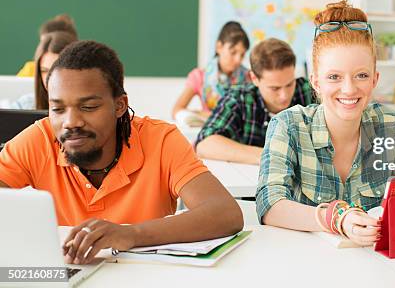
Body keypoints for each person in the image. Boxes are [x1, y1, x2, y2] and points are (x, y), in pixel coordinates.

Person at [0, 41, 243, 264]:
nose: (70, 122)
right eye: (58, 108)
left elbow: (224, 213)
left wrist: (130, 233)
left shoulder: (161, 140)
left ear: (120, 106)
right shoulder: (39, 139)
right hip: (65, 274)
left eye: (88, 107)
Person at [256, 0, 395, 246]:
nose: (349, 89)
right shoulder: (289, 125)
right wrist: (337, 218)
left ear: (375, 79)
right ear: (315, 82)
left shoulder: (392, 123)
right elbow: (270, 205)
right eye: (334, 77)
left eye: (361, 75)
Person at [195, 38, 313, 165]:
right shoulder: (238, 98)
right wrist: (271, 156)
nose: (284, 96)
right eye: (275, 88)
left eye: (290, 84)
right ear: (254, 78)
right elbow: (204, 144)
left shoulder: (310, 91)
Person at [172, 21, 251, 126]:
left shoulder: (249, 77)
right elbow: (177, 110)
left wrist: (201, 113)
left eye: (242, 55)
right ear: (219, 47)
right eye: (233, 52)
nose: (238, 59)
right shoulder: (200, 76)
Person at [12, 31, 77, 110]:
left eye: (56, 70)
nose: (48, 78)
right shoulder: (24, 105)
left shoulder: (91, 109)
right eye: (44, 70)